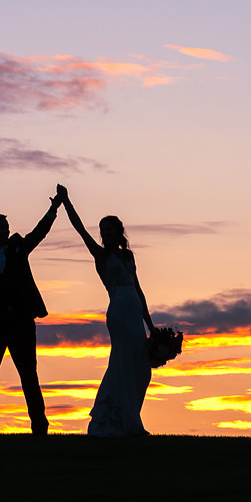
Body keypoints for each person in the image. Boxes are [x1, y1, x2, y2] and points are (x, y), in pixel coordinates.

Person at [0, 188, 63, 435]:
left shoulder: (19, 245)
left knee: (29, 375)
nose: (7, 230)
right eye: (2, 227)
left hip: (21, 323)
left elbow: (39, 233)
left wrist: (54, 208)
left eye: (7, 226)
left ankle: (39, 426)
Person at [58, 184, 154, 437]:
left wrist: (151, 325)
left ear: (118, 232)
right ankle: (121, 421)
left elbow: (140, 290)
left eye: (109, 230)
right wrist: (66, 202)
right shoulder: (100, 255)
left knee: (141, 369)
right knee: (122, 363)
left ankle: (129, 415)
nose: (104, 234)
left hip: (134, 310)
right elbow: (79, 229)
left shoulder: (129, 256)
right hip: (119, 313)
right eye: (102, 230)